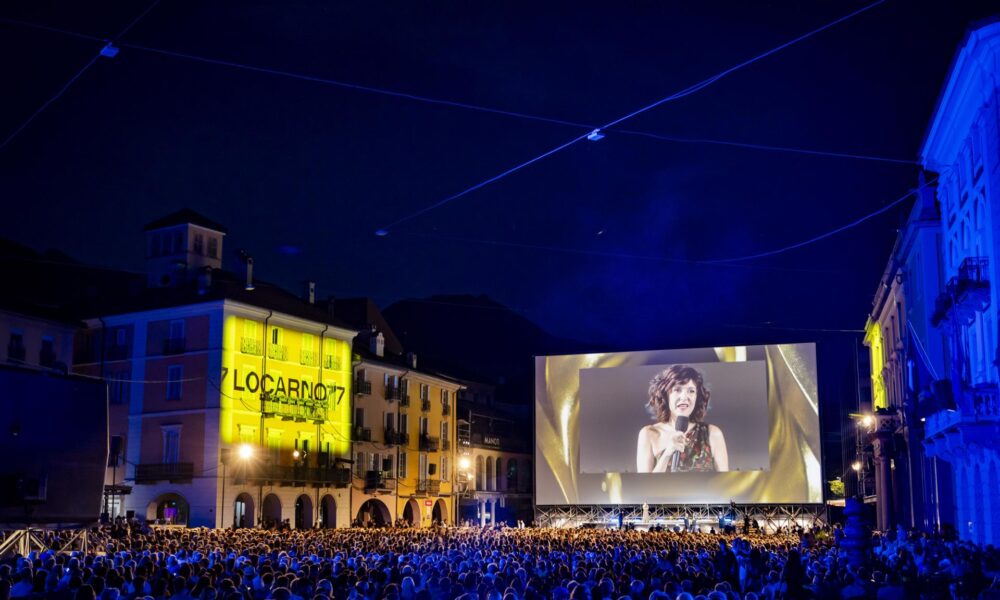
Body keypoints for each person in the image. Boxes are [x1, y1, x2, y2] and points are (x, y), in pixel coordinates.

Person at [636, 364, 729, 472]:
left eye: (691, 391)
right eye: (677, 390)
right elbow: (645, 486)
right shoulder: (649, 434)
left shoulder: (712, 433)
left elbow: (726, 484)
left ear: (697, 397)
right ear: (666, 395)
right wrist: (668, 453)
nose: (684, 397)